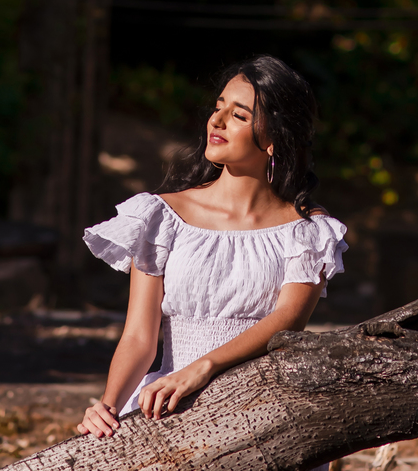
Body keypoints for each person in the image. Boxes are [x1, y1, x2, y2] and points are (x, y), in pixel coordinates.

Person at [76, 55, 347, 447]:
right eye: (218, 107)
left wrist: (204, 368)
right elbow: (138, 336)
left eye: (238, 115)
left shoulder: (308, 230)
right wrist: (109, 405)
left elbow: (288, 319)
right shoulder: (160, 216)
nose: (216, 121)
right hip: (167, 407)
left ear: (274, 139)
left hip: (266, 414)